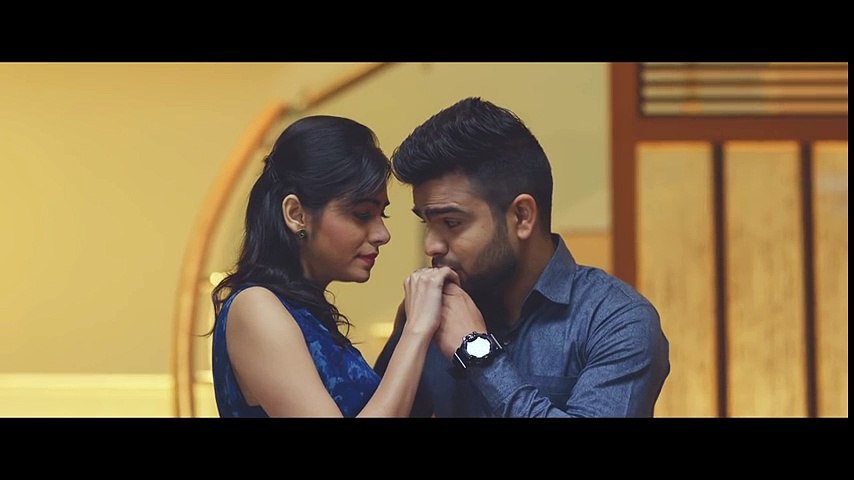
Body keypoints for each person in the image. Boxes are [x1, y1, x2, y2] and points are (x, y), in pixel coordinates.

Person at [375, 97, 670, 417]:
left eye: (451, 223)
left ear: (522, 216)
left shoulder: (615, 319)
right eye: (426, 223)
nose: (431, 246)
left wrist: (478, 353)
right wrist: (413, 332)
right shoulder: (428, 312)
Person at [210, 115, 459, 417]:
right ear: (296, 214)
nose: (382, 234)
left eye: (382, 215)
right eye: (362, 214)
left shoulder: (306, 312)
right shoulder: (255, 306)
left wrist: (406, 326)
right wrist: (417, 329)